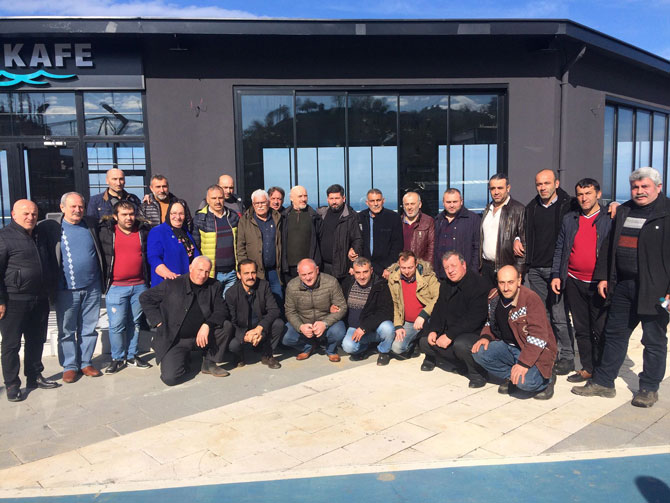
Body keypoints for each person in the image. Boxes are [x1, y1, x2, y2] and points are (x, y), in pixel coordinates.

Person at [572, 167, 670, 408]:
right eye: (635, 187)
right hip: (623, 286)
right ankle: (604, 383)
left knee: (653, 340)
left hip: (655, 289)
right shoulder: (624, 210)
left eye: (645, 186)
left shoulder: (667, 213)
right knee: (614, 335)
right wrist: (604, 277)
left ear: (658, 187)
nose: (639, 191)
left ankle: (648, 388)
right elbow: (609, 247)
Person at [514, 169, 576, 375]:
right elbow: (522, 230)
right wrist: (517, 239)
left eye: (547, 183)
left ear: (556, 184)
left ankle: (567, 356)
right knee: (543, 315)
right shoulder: (531, 207)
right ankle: (550, 351)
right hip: (535, 269)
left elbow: (591, 208)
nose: (543, 187)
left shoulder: (569, 204)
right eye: (539, 184)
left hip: (557, 269)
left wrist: (614, 205)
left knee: (559, 315)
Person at [550, 178, 611, 383]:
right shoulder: (570, 219)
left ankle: (602, 370)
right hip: (574, 281)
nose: (584, 198)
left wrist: (607, 277)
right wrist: (556, 275)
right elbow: (560, 248)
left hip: (598, 284)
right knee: (582, 329)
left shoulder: (609, 219)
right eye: (580, 194)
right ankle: (587, 368)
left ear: (598, 194)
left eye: (588, 193)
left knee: (600, 329)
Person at [41, 192, 105, 383]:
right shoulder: (51, 228)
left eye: (81, 206)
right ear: (62, 208)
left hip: (92, 287)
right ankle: (69, 366)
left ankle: (85, 362)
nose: (77, 210)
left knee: (89, 328)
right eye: (73, 206)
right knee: (67, 330)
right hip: (65, 290)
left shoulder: (91, 225)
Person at [0, 200, 59, 402]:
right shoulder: (4, 237)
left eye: (34, 214)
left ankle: (34, 376)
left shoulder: (40, 235)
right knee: (11, 344)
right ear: (14, 214)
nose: (30, 217)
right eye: (25, 213)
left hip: (39, 298)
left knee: (36, 340)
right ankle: (12, 384)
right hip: (14, 300)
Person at [140, 256, 231, 386]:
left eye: (207, 271)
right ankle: (182, 357)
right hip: (176, 339)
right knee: (170, 378)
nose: (203, 275)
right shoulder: (173, 284)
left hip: (202, 337)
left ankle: (209, 362)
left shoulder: (214, 285)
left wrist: (207, 325)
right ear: (191, 268)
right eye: (200, 270)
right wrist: (158, 321)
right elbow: (145, 297)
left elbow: (221, 310)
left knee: (226, 326)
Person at [471, 265, 557, 399]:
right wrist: (486, 337)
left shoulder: (531, 299)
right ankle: (512, 377)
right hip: (508, 346)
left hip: (533, 350)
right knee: (479, 352)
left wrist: (524, 363)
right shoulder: (494, 296)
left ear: (519, 280)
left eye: (510, 282)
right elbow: (490, 321)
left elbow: (539, 336)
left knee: (525, 383)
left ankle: (547, 379)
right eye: (502, 283)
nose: (506, 288)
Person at [419, 251, 489, 387]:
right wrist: (434, 330)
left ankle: (477, 374)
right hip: (450, 329)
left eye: (453, 266)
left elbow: (475, 318)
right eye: (446, 268)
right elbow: (438, 309)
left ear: (464, 265)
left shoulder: (478, 284)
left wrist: (450, 335)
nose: (450, 271)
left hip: (471, 332)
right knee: (424, 340)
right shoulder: (446, 284)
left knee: (461, 345)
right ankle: (453, 362)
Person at [98, 201, 152, 374]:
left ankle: (132, 355)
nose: (129, 218)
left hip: (139, 285)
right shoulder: (107, 232)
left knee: (135, 322)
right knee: (116, 325)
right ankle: (117, 358)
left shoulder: (143, 231)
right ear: (116, 216)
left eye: (131, 214)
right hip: (116, 287)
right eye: (124, 214)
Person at [283, 258, 347, 362]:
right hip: (304, 322)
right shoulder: (292, 286)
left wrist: (325, 323)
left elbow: (342, 307)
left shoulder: (331, 282)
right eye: (304, 275)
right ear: (298, 273)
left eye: (310, 273)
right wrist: (300, 326)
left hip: (325, 322)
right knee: (286, 336)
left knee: (339, 331)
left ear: (317, 270)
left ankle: (331, 350)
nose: (308, 278)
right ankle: (308, 346)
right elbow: (290, 311)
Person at [223, 259, 282, 369]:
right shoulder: (231, 293)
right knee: (233, 345)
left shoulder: (264, 286)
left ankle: (267, 355)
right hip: (242, 330)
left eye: (253, 272)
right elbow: (231, 321)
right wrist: (244, 336)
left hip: (260, 327)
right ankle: (239, 356)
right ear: (239, 275)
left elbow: (274, 310)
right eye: (246, 273)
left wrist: (259, 328)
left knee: (278, 324)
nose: (250, 276)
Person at [340, 257, 395, 365]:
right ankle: (367, 347)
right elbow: (340, 301)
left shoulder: (380, 285)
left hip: (375, 327)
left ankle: (384, 351)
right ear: (353, 272)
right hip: (354, 328)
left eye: (365, 272)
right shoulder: (347, 283)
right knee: (348, 346)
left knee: (388, 329)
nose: (362, 276)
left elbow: (385, 311)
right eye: (358, 272)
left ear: (371, 270)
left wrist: (365, 327)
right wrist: (334, 307)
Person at [387, 250, 440, 357]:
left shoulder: (428, 276)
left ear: (416, 264)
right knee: (397, 348)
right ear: (399, 265)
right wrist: (398, 325)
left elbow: (438, 297)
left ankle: (423, 341)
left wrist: (423, 315)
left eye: (410, 267)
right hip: (409, 322)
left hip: (427, 318)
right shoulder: (393, 278)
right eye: (403, 268)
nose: (407, 271)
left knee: (430, 342)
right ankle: (414, 342)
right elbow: (395, 304)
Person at [479, 173, 525, 290]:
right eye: (493, 188)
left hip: (506, 268)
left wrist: (518, 272)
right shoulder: (487, 209)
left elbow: (524, 244)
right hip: (486, 267)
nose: (496, 192)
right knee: (487, 300)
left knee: (506, 300)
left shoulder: (518, 210)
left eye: (500, 188)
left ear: (508, 188)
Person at [236, 189, 283, 302]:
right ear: (253, 204)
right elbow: (240, 247)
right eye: (257, 203)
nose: (260, 206)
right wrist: (245, 269)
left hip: (274, 271)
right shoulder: (245, 221)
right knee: (258, 302)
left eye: (262, 202)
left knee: (278, 300)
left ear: (268, 202)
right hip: (255, 272)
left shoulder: (277, 218)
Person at [193, 184, 239, 295]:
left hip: (232, 273)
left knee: (230, 303)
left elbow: (240, 243)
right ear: (207, 200)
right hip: (212, 274)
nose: (217, 201)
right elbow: (196, 247)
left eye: (220, 198)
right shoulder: (200, 219)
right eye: (214, 198)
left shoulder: (233, 217)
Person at [147, 201, 200, 286]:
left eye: (181, 214)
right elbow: (153, 258)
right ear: (168, 214)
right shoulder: (158, 231)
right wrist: (167, 273)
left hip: (186, 282)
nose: (178, 217)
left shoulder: (185, 232)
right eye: (174, 213)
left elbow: (195, 254)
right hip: (167, 283)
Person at [317, 184, 362, 282]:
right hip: (323, 267)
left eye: (337, 198)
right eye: (331, 198)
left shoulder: (351, 216)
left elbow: (357, 240)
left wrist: (352, 265)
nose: (334, 201)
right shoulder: (321, 215)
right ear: (327, 199)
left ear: (343, 198)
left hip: (342, 268)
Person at [434, 188, 481, 277]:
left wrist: (473, 273)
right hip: (442, 275)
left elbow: (477, 248)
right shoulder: (438, 220)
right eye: (448, 202)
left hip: (465, 275)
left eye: (455, 202)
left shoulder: (473, 219)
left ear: (461, 201)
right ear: (443, 203)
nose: (451, 205)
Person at [358, 188, 403, 279]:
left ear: (383, 201)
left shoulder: (393, 217)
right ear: (367, 203)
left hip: (385, 270)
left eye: (378, 200)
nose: (376, 204)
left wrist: (388, 267)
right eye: (372, 201)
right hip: (364, 268)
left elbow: (397, 246)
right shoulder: (360, 217)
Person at [281, 185, 321, 281]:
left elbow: (320, 239)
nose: (303, 199)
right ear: (291, 198)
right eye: (300, 196)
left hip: (308, 267)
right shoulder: (284, 216)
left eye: (305, 196)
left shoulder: (314, 216)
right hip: (289, 268)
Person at [401, 191, 434, 264]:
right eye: (406, 204)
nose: (409, 207)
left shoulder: (428, 222)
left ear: (420, 205)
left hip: (421, 267)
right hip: (402, 267)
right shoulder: (398, 222)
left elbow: (431, 249)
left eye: (412, 204)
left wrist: (425, 267)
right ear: (403, 206)